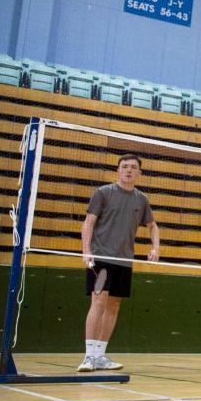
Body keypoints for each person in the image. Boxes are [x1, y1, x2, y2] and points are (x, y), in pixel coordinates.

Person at [78, 154, 160, 372]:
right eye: (124, 167)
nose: (129, 170)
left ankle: (100, 355)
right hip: (102, 259)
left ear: (139, 173)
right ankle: (88, 357)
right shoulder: (103, 193)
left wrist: (155, 248)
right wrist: (86, 252)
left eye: (133, 167)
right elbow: (88, 224)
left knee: (114, 305)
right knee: (99, 301)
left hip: (124, 262)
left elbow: (153, 226)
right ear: (118, 170)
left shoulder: (141, 200)